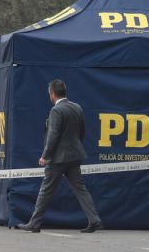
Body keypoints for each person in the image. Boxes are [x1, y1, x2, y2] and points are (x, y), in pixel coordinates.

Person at [15, 79, 103, 234]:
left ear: (52, 94)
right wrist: (74, 148)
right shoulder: (77, 107)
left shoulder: (56, 110)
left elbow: (53, 135)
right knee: (81, 190)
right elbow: (82, 132)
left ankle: (34, 223)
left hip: (57, 158)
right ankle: (94, 220)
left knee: (45, 190)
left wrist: (45, 155)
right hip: (74, 156)